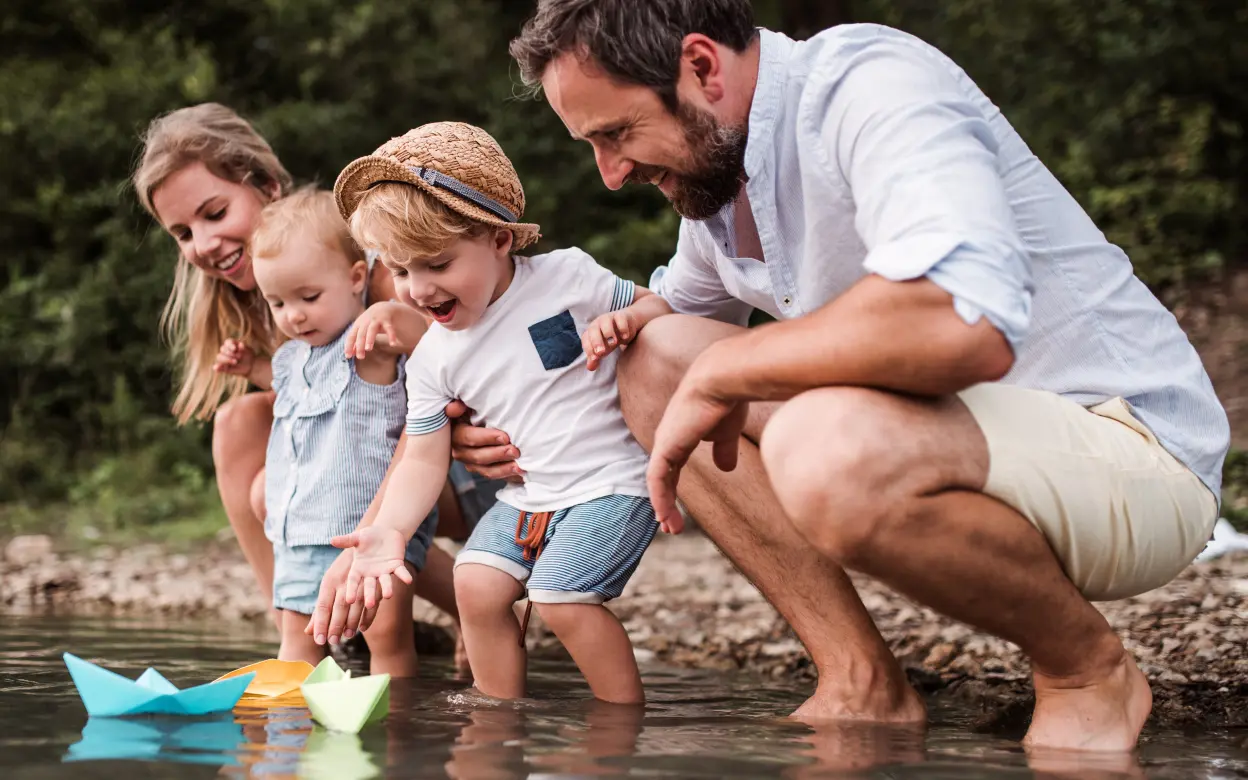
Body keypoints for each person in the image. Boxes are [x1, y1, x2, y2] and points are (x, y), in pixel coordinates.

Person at [454, 0, 1227, 752]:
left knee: (824, 447)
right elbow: (662, 338)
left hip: (1130, 455)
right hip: (968, 446)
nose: (612, 173)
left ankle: (1086, 672)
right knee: (653, 360)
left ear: (700, 66)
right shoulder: (720, 188)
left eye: (618, 133)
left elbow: (961, 322)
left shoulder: (868, 83)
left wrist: (732, 366)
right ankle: (861, 680)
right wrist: (498, 420)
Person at [131, 103, 502, 661]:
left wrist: (375, 535)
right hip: (382, 473)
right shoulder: (272, 301)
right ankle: (302, 621)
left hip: (464, 462)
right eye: (183, 232)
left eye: (214, 212)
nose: (203, 242)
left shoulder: (377, 272)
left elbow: (435, 398)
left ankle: (452, 607)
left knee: (327, 506)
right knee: (242, 424)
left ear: (267, 186)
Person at [325, 122, 673, 704]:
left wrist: (632, 321)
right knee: (475, 584)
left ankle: (620, 724)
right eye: (402, 269)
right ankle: (497, 717)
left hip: (611, 480)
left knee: (563, 598)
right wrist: (390, 529)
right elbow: (423, 459)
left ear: (500, 240)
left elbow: (658, 306)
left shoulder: (567, 277)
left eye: (436, 264)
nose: (416, 288)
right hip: (530, 495)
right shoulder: (433, 356)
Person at [212, 186, 437, 671]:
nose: (293, 315)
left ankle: (398, 730)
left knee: (388, 641)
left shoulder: (369, 344)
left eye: (308, 297)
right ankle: (288, 736)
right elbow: (292, 390)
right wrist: (252, 366)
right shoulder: (292, 356)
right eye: (276, 303)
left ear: (357, 279)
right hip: (298, 531)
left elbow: (430, 346)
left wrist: (392, 313)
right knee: (298, 640)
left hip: (365, 530)